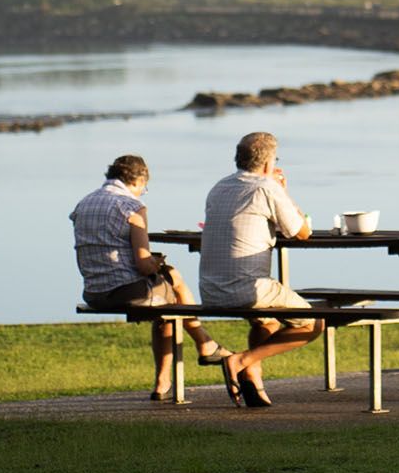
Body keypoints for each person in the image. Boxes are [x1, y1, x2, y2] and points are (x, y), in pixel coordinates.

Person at [69, 154, 223, 399]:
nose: (143, 193)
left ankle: (175, 372)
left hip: (93, 292)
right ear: (139, 181)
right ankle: (202, 344)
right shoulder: (132, 207)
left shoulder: (83, 204)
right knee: (173, 284)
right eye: (145, 188)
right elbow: (143, 263)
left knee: (168, 291)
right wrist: (156, 263)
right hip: (125, 292)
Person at [201, 131, 319, 409]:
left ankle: (252, 377)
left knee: (266, 321)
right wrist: (284, 191)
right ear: (268, 164)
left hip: (210, 289)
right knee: (314, 322)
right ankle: (241, 360)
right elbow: (301, 232)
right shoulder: (267, 188)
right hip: (248, 288)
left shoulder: (218, 188)